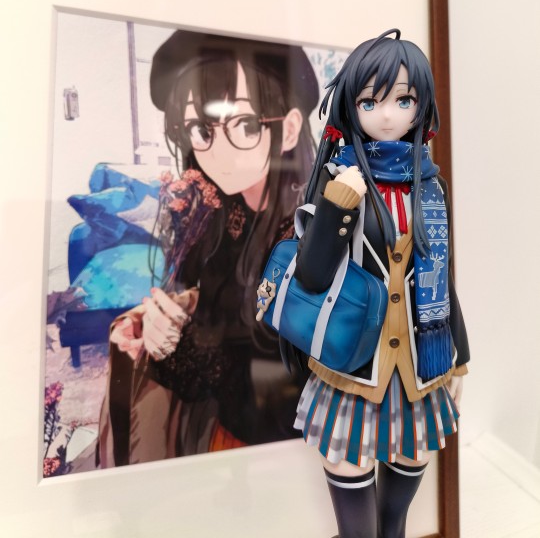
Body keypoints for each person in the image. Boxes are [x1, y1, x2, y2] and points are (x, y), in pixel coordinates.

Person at [98, 30, 319, 466]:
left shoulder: (309, 235)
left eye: (245, 126)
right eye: (201, 130)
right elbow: (208, 303)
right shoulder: (224, 211)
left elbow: (282, 395)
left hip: (273, 454)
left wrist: (181, 348)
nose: (217, 152)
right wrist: (160, 321)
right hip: (219, 433)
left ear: (290, 129)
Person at [284, 29, 469, 538]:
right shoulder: (338, 179)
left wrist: (460, 353)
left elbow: (442, 275)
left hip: (421, 369)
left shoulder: (431, 186)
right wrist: (337, 206)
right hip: (353, 369)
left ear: (421, 105)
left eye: (403, 100)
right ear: (352, 106)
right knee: (358, 528)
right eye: (370, 102)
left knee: (395, 520)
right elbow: (311, 276)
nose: (387, 115)